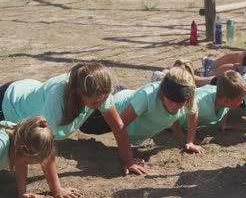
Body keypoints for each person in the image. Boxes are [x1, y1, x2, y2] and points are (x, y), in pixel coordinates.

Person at [0, 62, 147, 175]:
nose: (101, 105)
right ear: (79, 92)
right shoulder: (57, 97)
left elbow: (117, 126)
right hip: (8, 104)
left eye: (104, 100)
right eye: (95, 103)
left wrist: (128, 161)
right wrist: (57, 190)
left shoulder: (99, 91)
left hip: (27, 91)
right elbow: (46, 145)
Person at [93, 60, 205, 154]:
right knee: (85, 125)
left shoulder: (187, 98)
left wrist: (189, 140)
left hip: (131, 99)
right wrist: (129, 160)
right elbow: (119, 126)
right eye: (171, 101)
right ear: (162, 93)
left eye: (180, 102)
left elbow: (193, 113)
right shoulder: (147, 96)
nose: (175, 106)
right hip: (109, 108)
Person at [0, 116, 81, 198]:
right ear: (23, 149)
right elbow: (21, 162)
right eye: (28, 162)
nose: (26, 164)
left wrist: (22, 194)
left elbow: (21, 163)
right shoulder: (2, 144)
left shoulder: (21, 139)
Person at [176, 70, 246, 133]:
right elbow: (174, 116)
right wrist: (180, 135)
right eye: (239, 99)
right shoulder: (201, 105)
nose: (242, 102)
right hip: (173, 121)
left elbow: (226, 107)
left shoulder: (223, 96)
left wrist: (223, 124)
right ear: (226, 100)